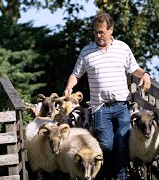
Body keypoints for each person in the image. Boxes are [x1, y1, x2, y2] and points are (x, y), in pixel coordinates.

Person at [63, 12, 151, 180]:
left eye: (101, 31)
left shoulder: (123, 48)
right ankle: (108, 173)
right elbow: (76, 74)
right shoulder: (87, 51)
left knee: (121, 142)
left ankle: (121, 176)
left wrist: (145, 75)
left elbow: (134, 69)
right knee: (106, 145)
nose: (98, 35)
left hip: (122, 105)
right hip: (100, 108)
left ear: (111, 30)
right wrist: (69, 86)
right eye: (95, 32)